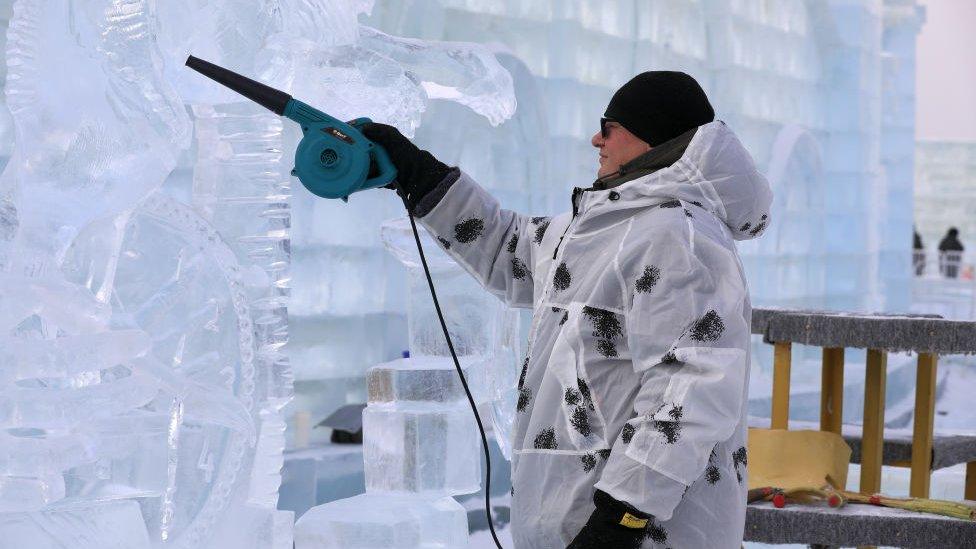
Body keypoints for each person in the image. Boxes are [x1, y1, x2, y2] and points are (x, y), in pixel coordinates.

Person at [363, 71, 772, 549]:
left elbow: (692, 390)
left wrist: (623, 516)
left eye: (610, 125)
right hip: (575, 522)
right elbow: (507, 248)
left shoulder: (679, 238)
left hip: (646, 534)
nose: (595, 138)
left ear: (649, 136)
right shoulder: (605, 227)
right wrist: (419, 173)